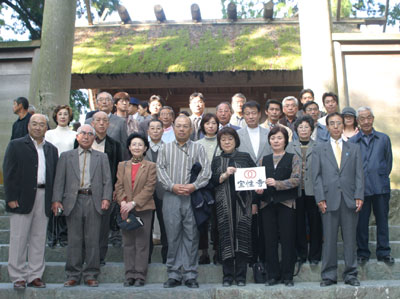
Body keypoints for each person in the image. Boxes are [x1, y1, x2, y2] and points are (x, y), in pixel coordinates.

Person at [52, 124, 112, 287]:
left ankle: (91, 273)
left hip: (94, 200)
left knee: (93, 239)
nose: (86, 136)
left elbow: (107, 180)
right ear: (77, 137)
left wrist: (106, 198)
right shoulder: (66, 156)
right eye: (83, 133)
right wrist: (56, 199)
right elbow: (59, 180)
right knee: (74, 239)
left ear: (94, 138)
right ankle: (73, 274)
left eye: (90, 134)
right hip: (73, 201)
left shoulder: (102, 157)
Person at [3, 114, 58, 289]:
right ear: (28, 126)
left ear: (46, 128)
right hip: (21, 198)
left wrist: (54, 199)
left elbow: (54, 176)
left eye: (42, 124)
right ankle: (18, 276)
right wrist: (10, 198)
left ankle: (35, 275)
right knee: (18, 238)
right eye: (34, 124)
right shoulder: (16, 145)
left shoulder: (51, 149)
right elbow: (8, 172)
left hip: (44, 196)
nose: (37, 127)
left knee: (39, 238)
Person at [157, 115, 211, 289]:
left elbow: (206, 172)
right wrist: (172, 186)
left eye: (185, 126)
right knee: (172, 236)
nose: (181, 129)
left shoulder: (198, 148)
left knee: (191, 235)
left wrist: (193, 186)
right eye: (178, 126)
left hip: (192, 197)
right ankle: (173, 273)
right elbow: (160, 169)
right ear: (173, 128)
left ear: (191, 129)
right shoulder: (165, 149)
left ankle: (189, 274)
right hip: (171, 196)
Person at [313, 112, 364, 287]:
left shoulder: (354, 148)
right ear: (327, 127)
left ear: (344, 126)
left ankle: (351, 274)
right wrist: (320, 197)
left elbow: (359, 174)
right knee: (329, 239)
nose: (336, 126)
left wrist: (359, 195)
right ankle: (328, 275)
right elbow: (316, 176)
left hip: (350, 199)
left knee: (350, 240)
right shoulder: (319, 148)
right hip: (328, 199)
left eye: (339, 123)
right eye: (332, 123)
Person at [349, 107, 394, 266]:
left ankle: (384, 252)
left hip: (380, 187)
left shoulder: (383, 139)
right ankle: (362, 252)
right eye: (362, 118)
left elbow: (388, 163)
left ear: (373, 118)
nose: (366, 121)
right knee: (361, 223)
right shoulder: (352, 141)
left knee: (382, 220)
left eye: (369, 118)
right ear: (358, 121)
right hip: (361, 190)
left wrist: (380, 176)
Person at [211, 127, 256, 286]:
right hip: (224, 206)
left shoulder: (245, 157)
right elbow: (213, 181)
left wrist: (255, 202)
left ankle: (241, 276)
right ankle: (228, 276)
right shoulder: (217, 160)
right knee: (225, 239)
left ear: (236, 140)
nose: (227, 142)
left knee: (243, 237)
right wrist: (225, 174)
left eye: (230, 139)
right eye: (223, 140)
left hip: (243, 204)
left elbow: (255, 178)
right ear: (219, 143)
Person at [256, 126, 300, 287]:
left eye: (279, 138)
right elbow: (257, 180)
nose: (276, 141)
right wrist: (258, 189)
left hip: (287, 204)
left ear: (285, 141)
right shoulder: (263, 159)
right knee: (270, 240)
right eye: (273, 138)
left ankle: (288, 276)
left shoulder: (293, 157)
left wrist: (278, 183)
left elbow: (296, 179)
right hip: (267, 204)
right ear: (269, 141)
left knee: (288, 240)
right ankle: (272, 275)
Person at [115, 133, 157, 287]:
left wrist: (133, 203)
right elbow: (118, 186)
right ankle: (129, 275)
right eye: (134, 144)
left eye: (140, 144)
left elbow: (149, 188)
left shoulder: (151, 166)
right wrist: (123, 203)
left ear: (145, 148)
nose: (137, 147)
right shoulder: (122, 165)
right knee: (128, 243)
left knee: (142, 243)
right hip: (125, 208)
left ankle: (139, 275)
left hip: (143, 208)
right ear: (129, 147)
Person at [237, 100, 272, 265]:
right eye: (247, 113)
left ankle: (264, 258)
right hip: (245, 187)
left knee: (266, 225)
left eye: (254, 113)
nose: (251, 116)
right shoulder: (237, 135)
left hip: (266, 185)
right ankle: (250, 258)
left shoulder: (269, 133)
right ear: (243, 115)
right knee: (247, 225)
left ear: (260, 114)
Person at [286, 115, 322, 265]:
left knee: (315, 224)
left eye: (307, 127)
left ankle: (315, 255)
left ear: (311, 130)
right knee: (298, 223)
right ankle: (301, 254)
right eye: (300, 127)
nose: (303, 130)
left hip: (314, 191)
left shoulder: (320, 146)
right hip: (296, 191)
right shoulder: (289, 146)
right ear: (296, 130)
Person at [90, 111, 123, 265]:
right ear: (92, 123)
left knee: (103, 225)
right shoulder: (83, 141)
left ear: (108, 124)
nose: (102, 123)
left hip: (106, 189)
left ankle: (100, 257)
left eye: (105, 120)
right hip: (85, 188)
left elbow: (118, 168)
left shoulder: (115, 145)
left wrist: (116, 188)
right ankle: (86, 255)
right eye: (98, 120)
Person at [45, 105, 77, 248]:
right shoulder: (49, 134)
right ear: (56, 116)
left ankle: (64, 235)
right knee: (52, 201)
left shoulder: (74, 134)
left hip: (69, 171)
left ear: (70, 117)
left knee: (66, 203)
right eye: (60, 114)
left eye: (66, 114)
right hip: (52, 170)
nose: (63, 116)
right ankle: (52, 234)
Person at [196, 113, 221, 265]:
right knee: (202, 221)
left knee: (218, 220)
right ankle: (203, 252)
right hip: (202, 187)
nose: (211, 126)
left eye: (214, 123)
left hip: (219, 185)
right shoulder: (197, 144)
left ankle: (218, 251)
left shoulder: (223, 141)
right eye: (207, 123)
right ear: (203, 126)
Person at [145, 119, 168, 264]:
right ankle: (145, 259)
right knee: (146, 227)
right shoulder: (140, 148)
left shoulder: (169, 148)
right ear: (148, 131)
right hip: (145, 194)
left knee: (166, 226)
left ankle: (167, 258)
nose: (155, 131)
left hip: (164, 192)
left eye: (158, 128)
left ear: (163, 130)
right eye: (152, 128)